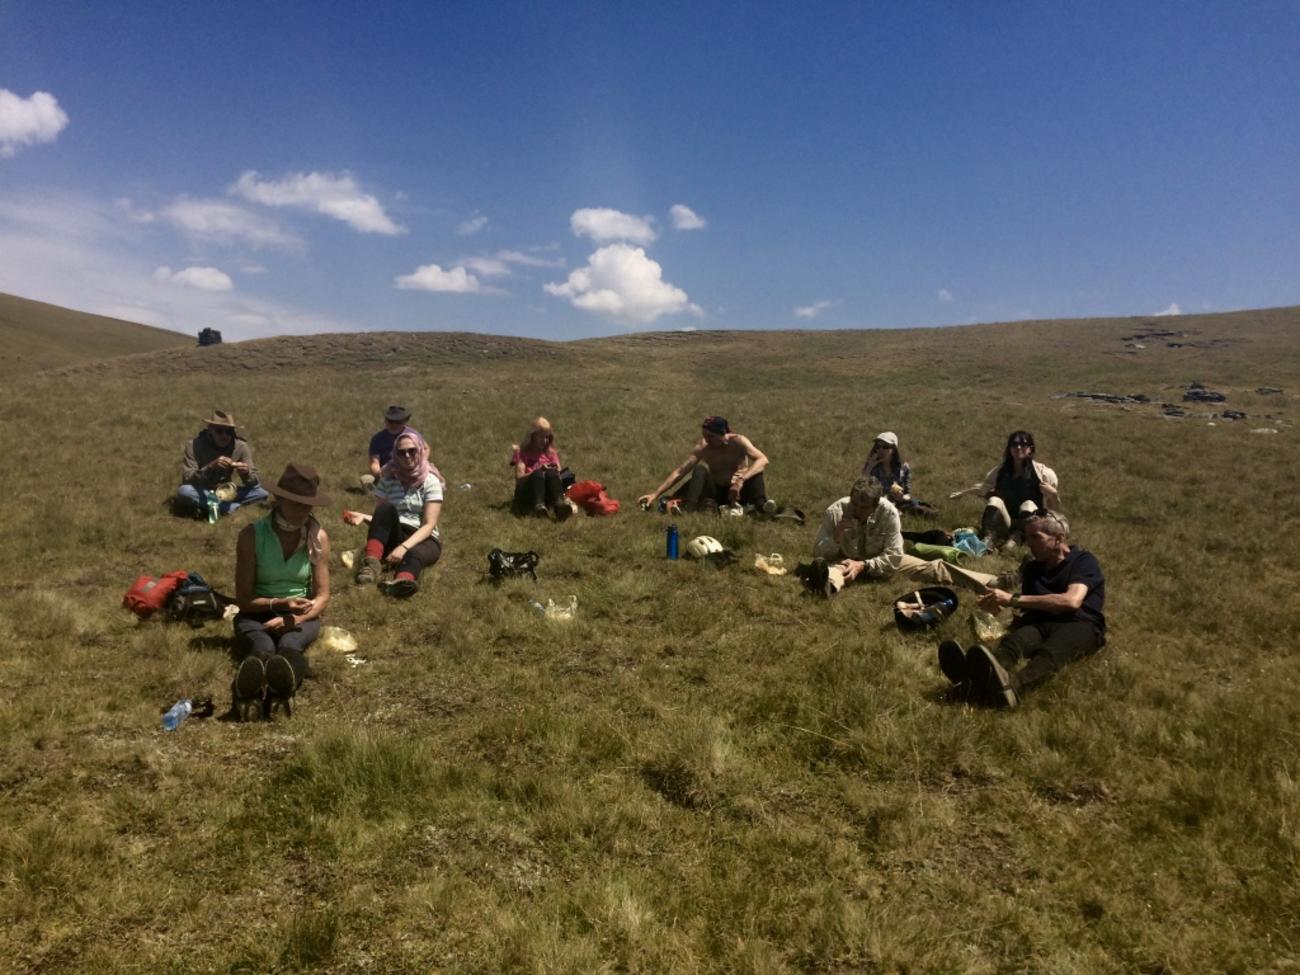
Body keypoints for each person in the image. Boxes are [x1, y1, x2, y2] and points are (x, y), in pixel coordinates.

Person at [937, 510, 1105, 708]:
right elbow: (1029, 607)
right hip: (1040, 622)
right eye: (1027, 537)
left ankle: (1013, 688)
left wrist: (1012, 599)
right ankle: (974, 680)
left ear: (1059, 538)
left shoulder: (1082, 561)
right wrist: (996, 612)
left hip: (1079, 623)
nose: (1029, 543)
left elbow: (1071, 601)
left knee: (1050, 654)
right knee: (1012, 644)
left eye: (1036, 537)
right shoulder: (1034, 568)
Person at [230, 463, 331, 721]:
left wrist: (294, 619)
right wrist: (280, 603)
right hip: (256, 612)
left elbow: (322, 596)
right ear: (279, 499)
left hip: (300, 614)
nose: (301, 512)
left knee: (290, 644)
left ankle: (282, 689)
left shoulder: (318, 537)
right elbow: (244, 599)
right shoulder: (251, 535)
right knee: (262, 644)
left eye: (306, 505)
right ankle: (247, 692)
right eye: (295, 503)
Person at [806, 478, 1004, 596]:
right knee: (836, 569)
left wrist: (865, 566)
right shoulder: (836, 511)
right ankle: (825, 585)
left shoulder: (888, 513)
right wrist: (837, 537)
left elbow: (893, 557)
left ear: (875, 506)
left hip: (880, 557)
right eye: (855, 504)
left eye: (864, 507)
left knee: (934, 568)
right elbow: (818, 550)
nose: (857, 510)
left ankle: (991, 582)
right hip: (847, 558)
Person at [354, 430, 443, 597]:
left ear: (420, 451)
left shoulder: (431, 481)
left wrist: (403, 548)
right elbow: (382, 518)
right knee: (385, 508)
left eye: (412, 450)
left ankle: (402, 582)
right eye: (401, 452)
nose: (407, 455)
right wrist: (363, 517)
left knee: (414, 554)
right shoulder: (388, 479)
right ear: (395, 454)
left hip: (424, 537)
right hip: (395, 533)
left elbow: (429, 524)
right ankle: (371, 566)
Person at [636, 416, 773, 513]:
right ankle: (689, 507)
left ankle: (762, 507)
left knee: (757, 471)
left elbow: (763, 459)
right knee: (699, 469)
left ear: (723, 434)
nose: (707, 440)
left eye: (710, 436)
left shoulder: (738, 442)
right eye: (704, 435)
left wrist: (741, 481)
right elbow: (680, 471)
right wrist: (655, 494)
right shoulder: (704, 447)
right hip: (716, 492)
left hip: (738, 492)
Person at [948, 430, 1060, 548]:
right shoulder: (1000, 472)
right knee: (995, 500)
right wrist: (973, 493)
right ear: (1009, 448)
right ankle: (989, 537)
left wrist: (1053, 494)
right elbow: (984, 488)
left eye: (1023, 444)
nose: (1018, 447)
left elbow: (1053, 510)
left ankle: (1021, 537)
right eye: (1014, 444)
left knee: (1028, 504)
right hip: (1007, 522)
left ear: (1030, 448)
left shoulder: (1043, 474)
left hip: (1031, 524)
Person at [175, 410, 268, 518]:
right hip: (203, 490)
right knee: (184, 491)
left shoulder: (241, 446)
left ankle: (216, 506)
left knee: (262, 492)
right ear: (210, 430)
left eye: (229, 432)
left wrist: (245, 474)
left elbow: (254, 482)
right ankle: (229, 508)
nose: (224, 436)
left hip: (226, 491)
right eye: (219, 431)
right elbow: (187, 478)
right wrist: (210, 467)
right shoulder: (194, 445)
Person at [510, 417, 578, 520]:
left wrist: (557, 472)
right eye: (541, 437)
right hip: (528, 492)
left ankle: (560, 505)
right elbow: (519, 480)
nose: (545, 440)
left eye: (547, 437)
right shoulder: (522, 453)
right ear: (533, 436)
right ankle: (539, 507)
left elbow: (560, 476)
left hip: (548, 491)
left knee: (551, 472)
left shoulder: (550, 453)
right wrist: (538, 470)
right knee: (538, 473)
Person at [361, 405, 412, 490]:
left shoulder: (412, 435)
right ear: (385, 420)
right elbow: (374, 462)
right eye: (391, 421)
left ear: (404, 421)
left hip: (410, 469)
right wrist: (379, 474)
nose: (394, 425)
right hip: (388, 471)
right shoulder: (377, 439)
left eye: (398, 422)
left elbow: (425, 449)